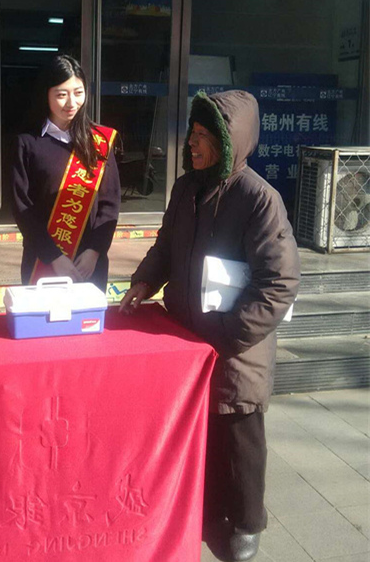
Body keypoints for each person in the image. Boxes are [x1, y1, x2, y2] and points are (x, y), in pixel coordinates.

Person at [119, 90, 300, 562]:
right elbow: (165, 245)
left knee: (240, 436)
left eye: (204, 135)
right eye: (192, 133)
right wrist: (143, 281)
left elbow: (279, 283)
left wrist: (226, 337)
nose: (193, 143)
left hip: (236, 346)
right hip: (188, 338)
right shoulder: (186, 188)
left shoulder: (259, 199)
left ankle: (246, 521)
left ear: (228, 141)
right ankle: (207, 508)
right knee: (201, 432)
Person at [11, 55, 121, 292]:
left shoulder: (99, 141)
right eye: (61, 94)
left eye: (78, 93)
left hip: (88, 264)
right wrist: (53, 257)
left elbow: (110, 204)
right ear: (46, 94)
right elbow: (22, 207)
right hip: (42, 260)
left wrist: (94, 251)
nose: (72, 102)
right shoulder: (27, 142)